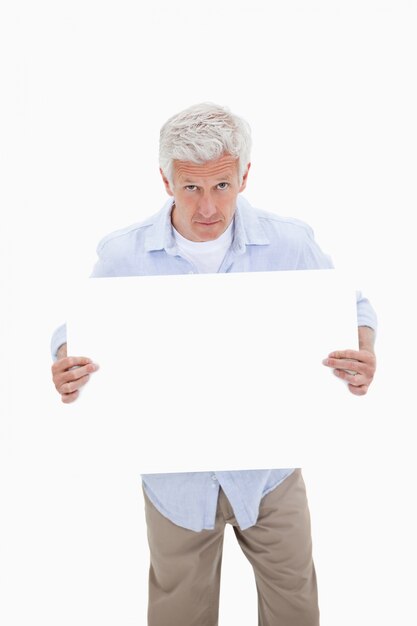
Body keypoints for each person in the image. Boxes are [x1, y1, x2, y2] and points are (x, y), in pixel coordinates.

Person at [51, 102, 377, 626]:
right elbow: (75, 335)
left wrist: (363, 352)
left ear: (245, 175)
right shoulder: (123, 255)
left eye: (222, 186)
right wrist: (66, 365)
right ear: (165, 181)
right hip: (174, 479)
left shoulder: (288, 241)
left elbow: (354, 308)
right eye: (192, 188)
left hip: (270, 472)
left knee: (296, 607)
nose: (208, 208)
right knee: (180, 615)